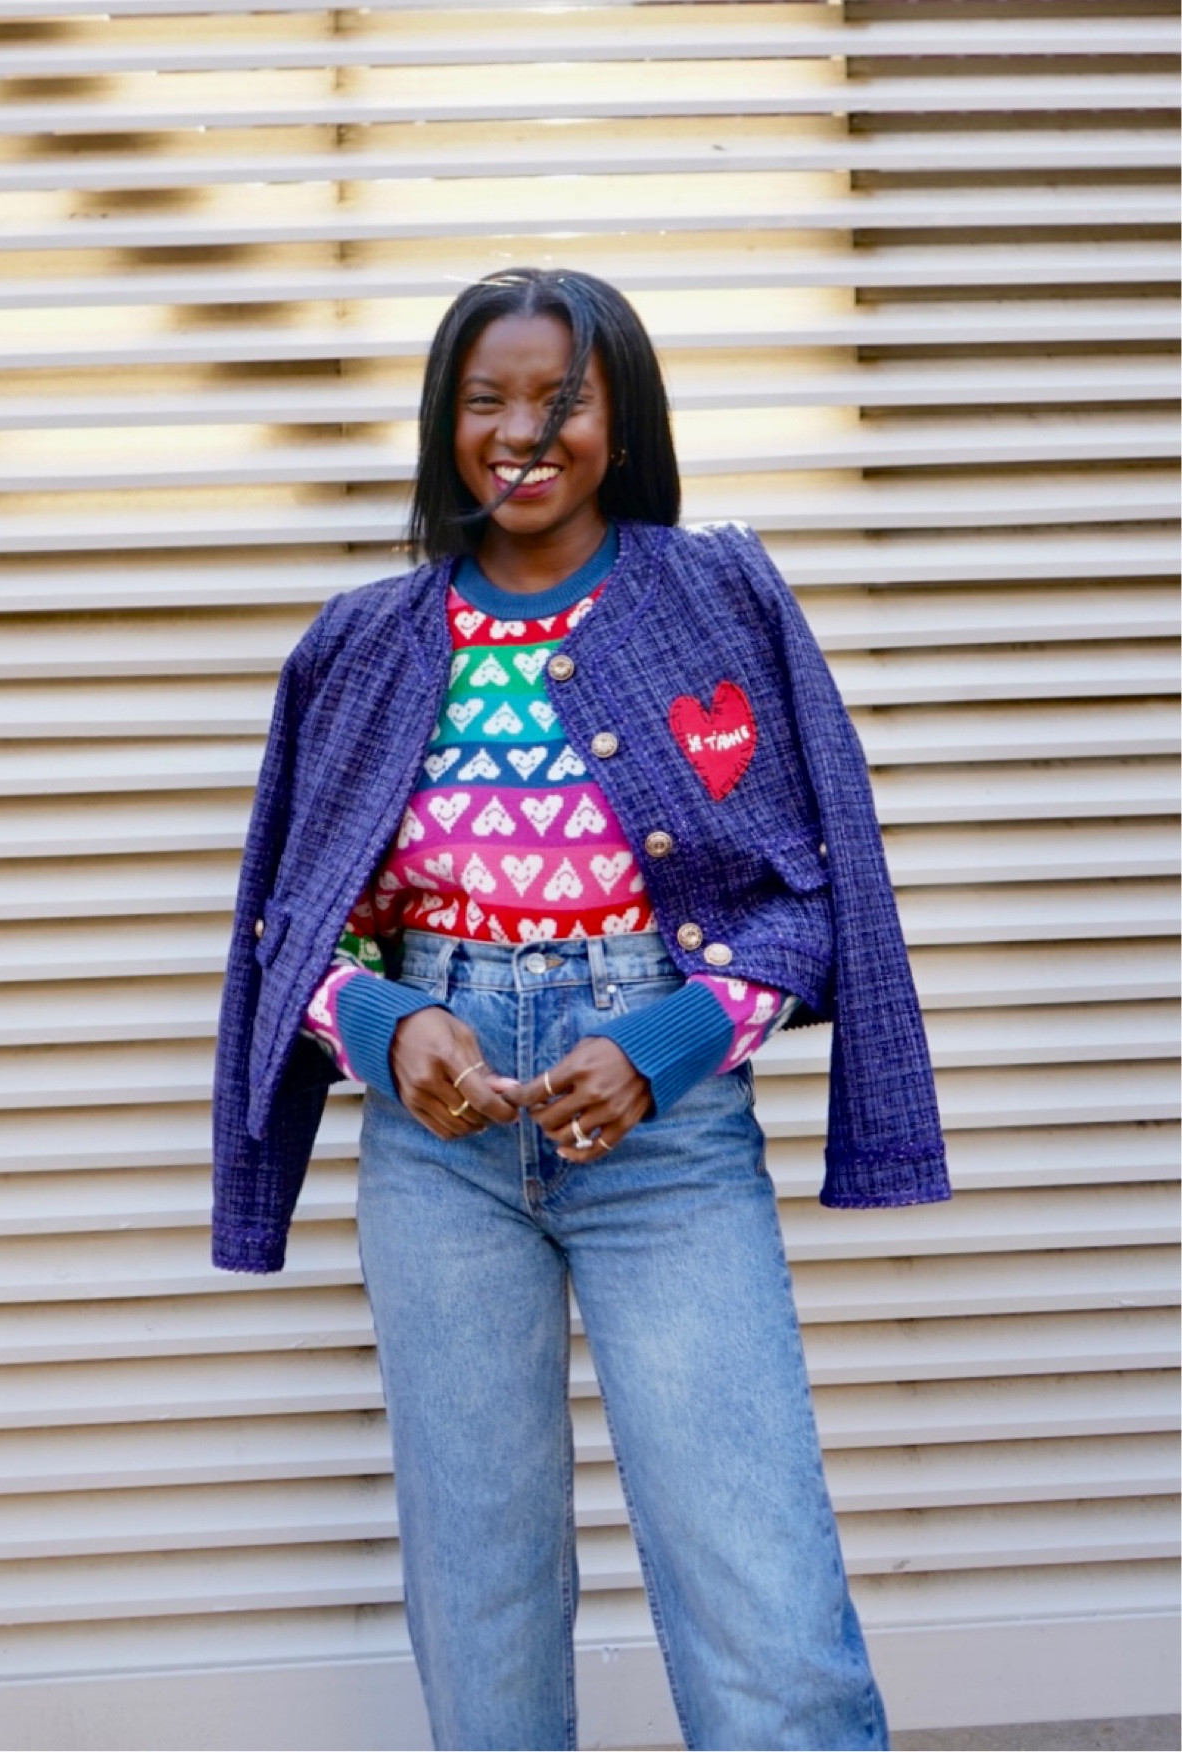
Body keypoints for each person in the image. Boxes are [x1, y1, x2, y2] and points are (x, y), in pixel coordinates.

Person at [212, 267, 949, 1752]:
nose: (522, 433)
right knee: (477, 1603)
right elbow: (297, 934)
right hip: (440, 1156)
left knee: (762, 1595)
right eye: (487, 399)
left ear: (623, 414)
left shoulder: (716, 597)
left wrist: (664, 1044)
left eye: (562, 397)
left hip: (665, 1149)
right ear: (445, 421)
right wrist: (386, 1028)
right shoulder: (360, 644)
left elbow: (816, 899)